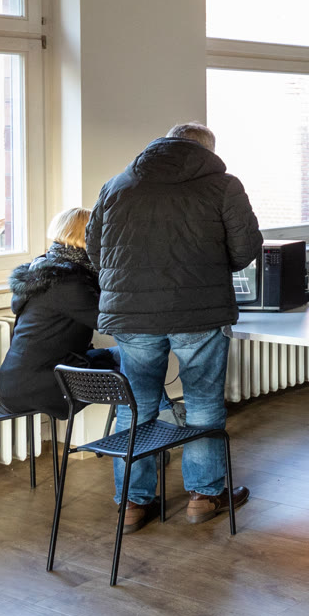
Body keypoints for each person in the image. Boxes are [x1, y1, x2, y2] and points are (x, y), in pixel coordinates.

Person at [89, 122, 260, 530]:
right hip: (198, 312)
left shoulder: (117, 185)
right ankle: (204, 496)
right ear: (207, 151)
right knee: (202, 403)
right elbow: (244, 252)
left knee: (136, 406)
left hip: (131, 314)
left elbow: (96, 251)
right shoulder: (223, 185)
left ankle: (132, 503)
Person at [0, 207, 119, 417]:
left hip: (20, 380)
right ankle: (145, 428)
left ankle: (144, 424)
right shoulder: (67, 282)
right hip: (42, 384)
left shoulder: (46, 267)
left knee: (128, 358)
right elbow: (109, 322)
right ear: (89, 237)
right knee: (139, 364)